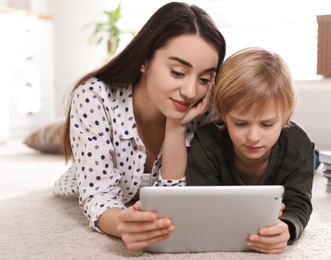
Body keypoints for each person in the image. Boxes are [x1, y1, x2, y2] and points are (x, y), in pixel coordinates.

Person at [53, 2, 226, 251]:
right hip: (83, 179)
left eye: (204, 78)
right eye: (177, 72)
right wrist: (123, 223)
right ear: (144, 60)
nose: (190, 92)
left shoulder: (205, 107)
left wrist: (176, 126)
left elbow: (174, 203)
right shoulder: (95, 97)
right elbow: (98, 196)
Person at [185, 47, 315, 254]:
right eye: (241, 124)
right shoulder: (207, 142)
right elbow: (200, 205)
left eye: (266, 124)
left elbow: (299, 203)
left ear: (285, 118)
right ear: (223, 115)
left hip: (293, 154)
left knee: (312, 161)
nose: (253, 137)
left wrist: (287, 227)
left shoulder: (299, 146)